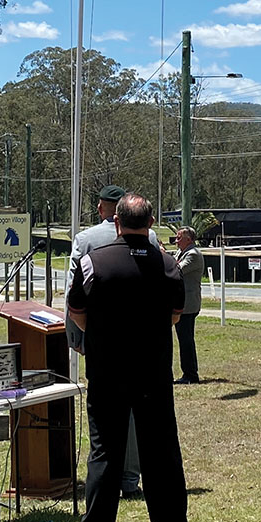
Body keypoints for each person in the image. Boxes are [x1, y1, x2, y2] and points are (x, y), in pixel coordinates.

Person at [68, 193, 188, 522]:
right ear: (150, 224)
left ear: (116, 222)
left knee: (105, 454)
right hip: (154, 375)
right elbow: (175, 316)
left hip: (107, 373)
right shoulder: (167, 264)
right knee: (161, 455)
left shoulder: (93, 262)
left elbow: (76, 311)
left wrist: (103, 334)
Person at [65, 183, 160, 498]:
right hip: (146, 345)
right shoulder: (152, 239)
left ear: (103, 209)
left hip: (103, 344)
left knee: (105, 425)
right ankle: (131, 479)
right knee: (139, 417)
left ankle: (106, 484)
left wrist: (79, 337)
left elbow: (73, 294)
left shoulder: (86, 239)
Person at [174, 226, 204, 384]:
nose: (176, 241)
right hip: (181, 303)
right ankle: (188, 372)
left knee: (186, 340)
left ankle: (191, 375)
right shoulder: (181, 252)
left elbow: (176, 269)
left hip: (188, 304)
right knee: (184, 339)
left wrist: (162, 254)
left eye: (179, 238)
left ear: (189, 239)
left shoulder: (193, 255)